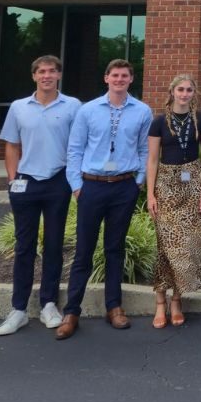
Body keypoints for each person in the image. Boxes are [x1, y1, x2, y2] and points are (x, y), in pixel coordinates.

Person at [56, 59, 153, 340]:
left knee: (115, 249)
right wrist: (76, 185)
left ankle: (114, 307)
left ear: (131, 79)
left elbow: (145, 149)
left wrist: (138, 182)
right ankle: (72, 311)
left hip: (123, 186)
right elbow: (74, 149)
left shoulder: (142, 111)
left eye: (125, 75)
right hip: (92, 186)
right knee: (83, 251)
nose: (119, 79)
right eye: (115, 75)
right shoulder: (88, 111)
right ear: (106, 78)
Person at [0, 55, 81, 336]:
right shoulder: (19, 107)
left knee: (54, 245)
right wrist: (12, 180)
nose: (46, 75)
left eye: (52, 71)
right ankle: (18, 309)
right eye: (41, 71)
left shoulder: (72, 106)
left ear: (59, 75)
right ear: (34, 76)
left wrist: (74, 181)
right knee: (24, 246)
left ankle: (48, 304)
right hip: (26, 182)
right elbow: (11, 146)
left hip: (58, 181)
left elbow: (76, 146)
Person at [146, 74, 201, 328]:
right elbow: (152, 159)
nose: (185, 94)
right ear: (172, 91)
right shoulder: (159, 122)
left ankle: (177, 299)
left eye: (189, 90)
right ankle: (160, 302)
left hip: (193, 183)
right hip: (166, 185)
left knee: (188, 245)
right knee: (165, 245)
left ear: (194, 93)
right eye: (180, 90)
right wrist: (150, 193)